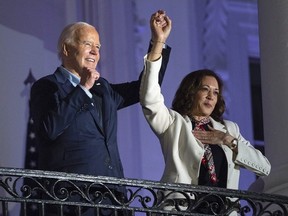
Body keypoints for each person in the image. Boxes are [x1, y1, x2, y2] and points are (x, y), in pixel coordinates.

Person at [29, 11, 171, 215]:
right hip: (72, 201)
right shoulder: (47, 86)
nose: (95, 51)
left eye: (98, 47)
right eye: (88, 44)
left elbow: (145, 88)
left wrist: (158, 42)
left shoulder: (103, 89)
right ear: (67, 49)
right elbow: (48, 129)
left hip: (113, 199)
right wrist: (82, 89)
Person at [139, 34, 271, 214]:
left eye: (216, 92)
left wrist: (228, 140)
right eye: (205, 89)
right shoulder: (173, 123)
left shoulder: (229, 129)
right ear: (191, 92)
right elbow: (149, 98)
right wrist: (159, 42)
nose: (211, 96)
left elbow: (265, 168)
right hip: (183, 209)